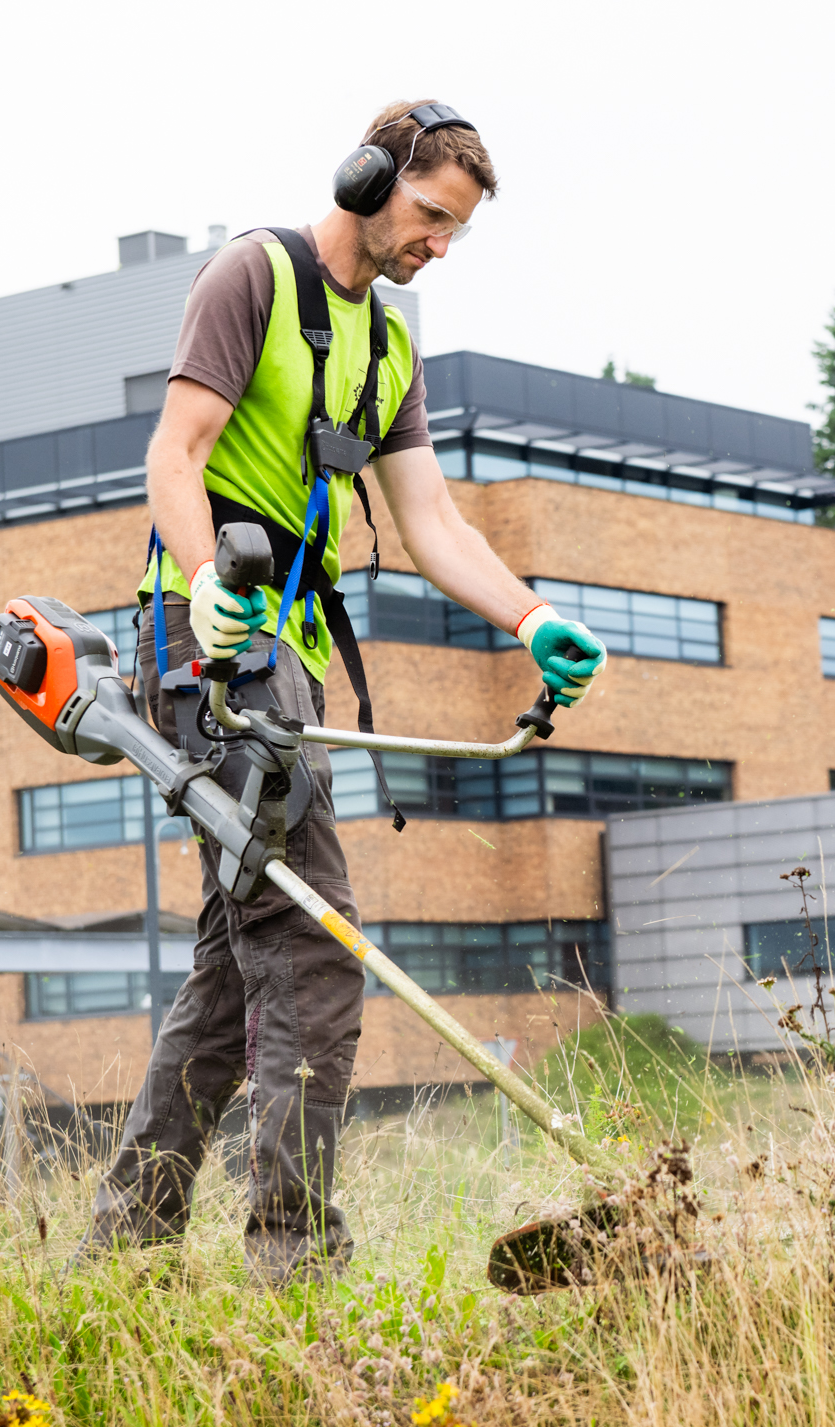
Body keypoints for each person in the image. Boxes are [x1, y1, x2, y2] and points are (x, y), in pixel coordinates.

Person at [81, 99, 607, 1285]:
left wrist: (532, 615)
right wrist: (211, 581)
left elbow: (431, 521)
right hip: (209, 643)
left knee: (236, 964)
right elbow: (178, 452)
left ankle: (121, 1253)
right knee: (317, 940)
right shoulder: (250, 278)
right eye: (429, 215)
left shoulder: (393, 347)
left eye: (457, 231)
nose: (438, 245)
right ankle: (294, 1261)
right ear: (368, 178)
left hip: (290, 659)